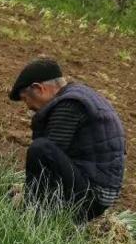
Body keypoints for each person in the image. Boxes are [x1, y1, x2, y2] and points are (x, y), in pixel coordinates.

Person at [9, 58, 126, 222]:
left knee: (41, 149)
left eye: (25, 99)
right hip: (98, 190)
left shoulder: (69, 105)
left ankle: (33, 214)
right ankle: (39, 206)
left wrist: (29, 194)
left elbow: (47, 159)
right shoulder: (80, 96)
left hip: (92, 196)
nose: (27, 106)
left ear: (38, 88)